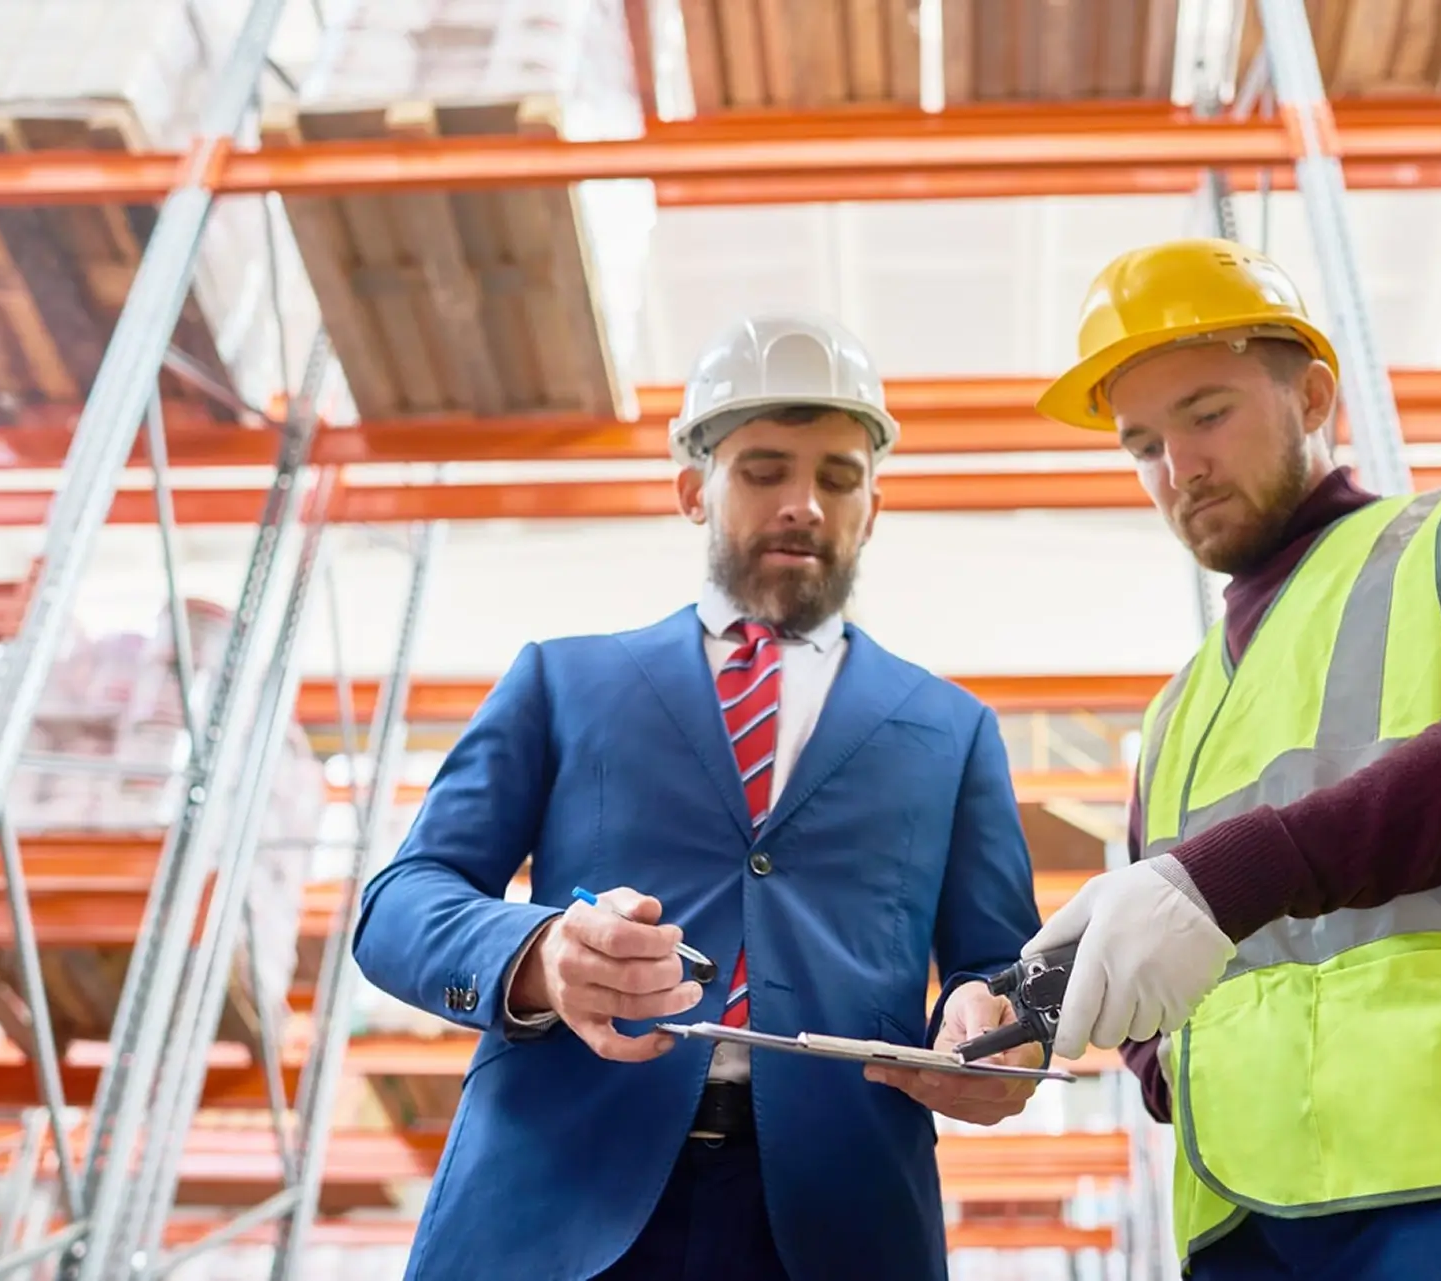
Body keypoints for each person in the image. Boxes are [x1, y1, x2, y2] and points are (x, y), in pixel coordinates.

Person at [1020, 238, 1441, 1280]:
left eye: (1206, 414)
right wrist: (1021, 1014)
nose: (1178, 469)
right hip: (1254, 1227)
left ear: (1314, 394)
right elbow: (1168, 991)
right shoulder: (1179, 711)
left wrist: (1227, 874)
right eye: (1141, 443)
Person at [352, 312, 1047, 1281]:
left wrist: (997, 1025)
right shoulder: (562, 681)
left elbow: (1002, 965)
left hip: (839, 1223)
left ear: (872, 509)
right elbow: (400, 904)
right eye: (764, 470)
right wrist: (539, 953)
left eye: (838, 477)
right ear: (693, 490)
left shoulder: (952, 728)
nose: (803, 503)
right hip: (554, 1202)